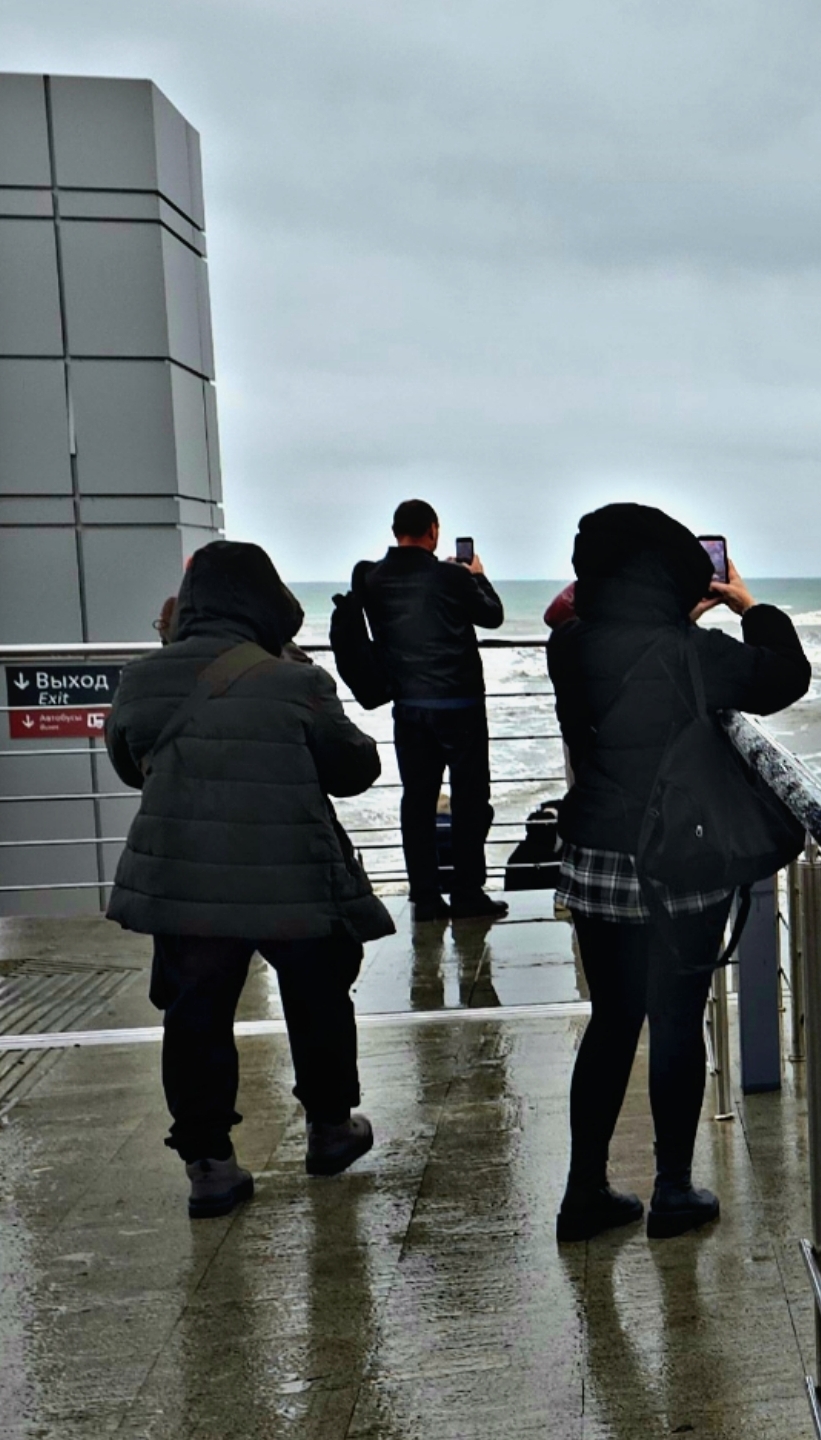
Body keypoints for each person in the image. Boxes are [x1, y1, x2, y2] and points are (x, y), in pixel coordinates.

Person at [104, 541, 396, 1218]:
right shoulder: (294, 680)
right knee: (319, 993)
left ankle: (209, 1165)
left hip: (184, 879)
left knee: (196, 1012)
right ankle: (329, 1129)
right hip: (291, 874)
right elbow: (355, 770)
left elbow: (129, 766)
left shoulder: (142, 679)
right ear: (266, 600)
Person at [548, 504, 809, 1241]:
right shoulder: (691, 652)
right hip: (678, 863)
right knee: (676, 1021)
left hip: (597, 857)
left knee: (610, 1022)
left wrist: (666, 604)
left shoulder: (567, 647)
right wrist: (746, 603)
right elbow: (787, 677)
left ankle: (583, 1193)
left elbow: (579, 611)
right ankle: (672, 1188)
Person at [355, 498, 505, 918]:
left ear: (394, 531)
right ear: (434, 532)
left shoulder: (373, 577)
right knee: (470, 799)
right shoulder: (450, 576)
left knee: (417, 801)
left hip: (408, 706)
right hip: (460, 705)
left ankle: (424, 896)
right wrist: (477, 576)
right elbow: (492, 616)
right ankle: (467, 891)